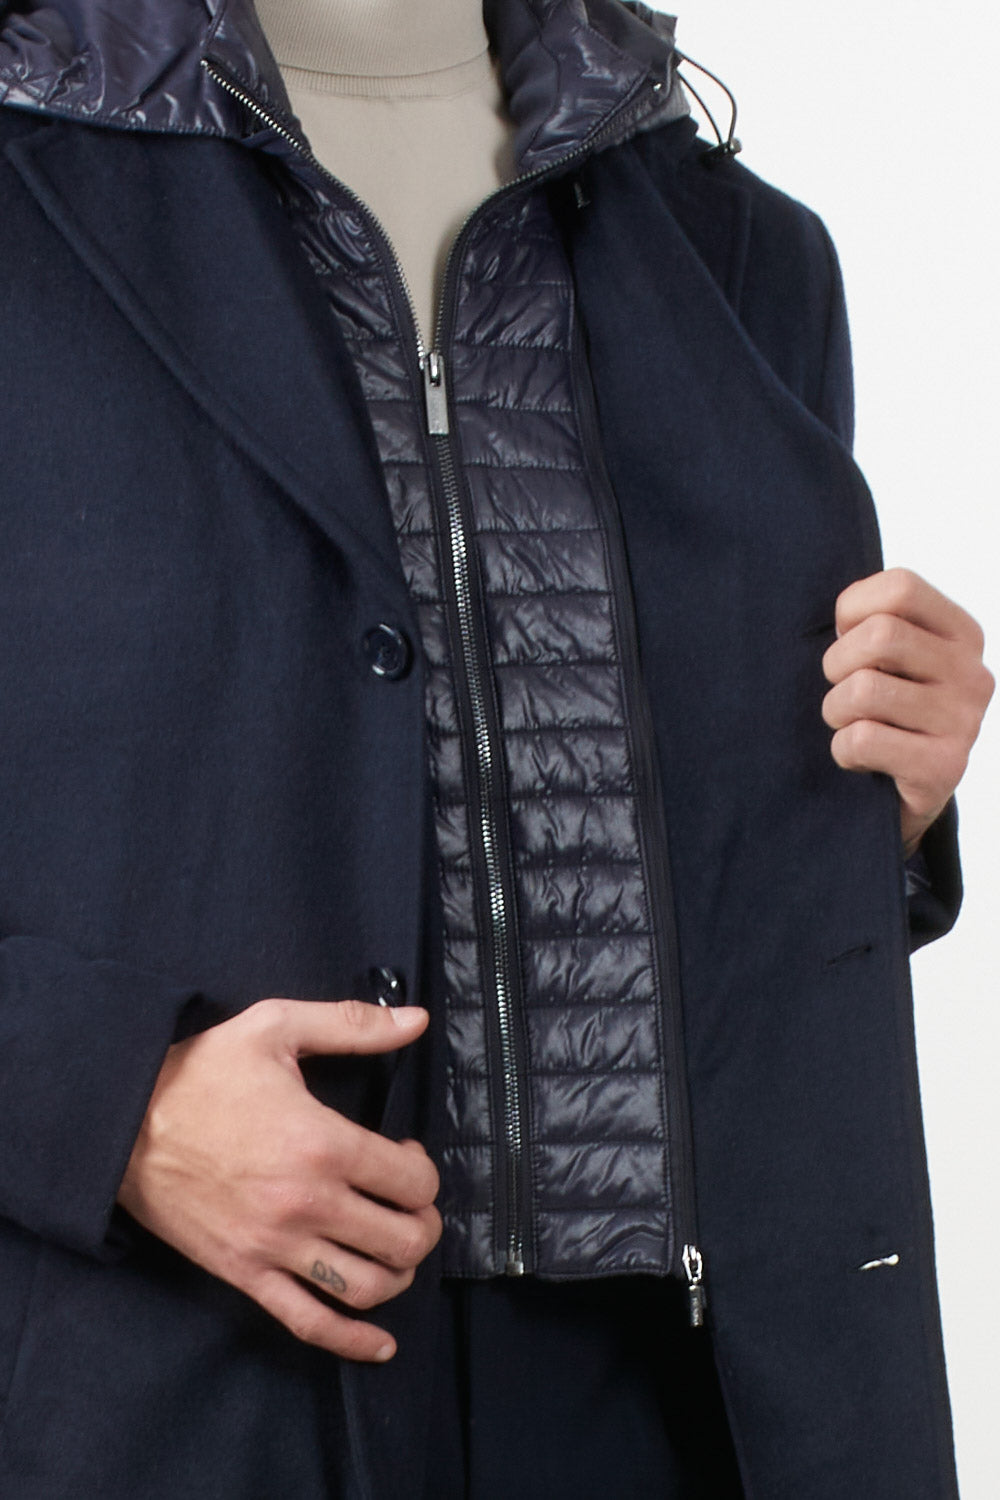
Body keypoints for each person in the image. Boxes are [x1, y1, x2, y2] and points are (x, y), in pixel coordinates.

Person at [0, 1, 992, 1496]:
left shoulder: (738, 247)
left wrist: (879, 806)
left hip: (689, 1401)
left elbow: (688, 832)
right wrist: (107, 1109)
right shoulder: (33, 198)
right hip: (179, 1378)